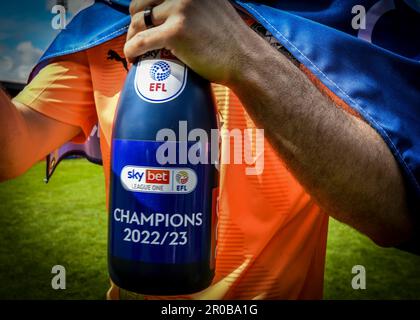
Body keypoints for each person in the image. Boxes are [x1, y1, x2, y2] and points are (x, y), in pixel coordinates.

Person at [0, 0, 418, 299]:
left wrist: (245, 56)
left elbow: (398, 215)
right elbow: (13, 149)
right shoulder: (107, 23)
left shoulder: (319, 24)